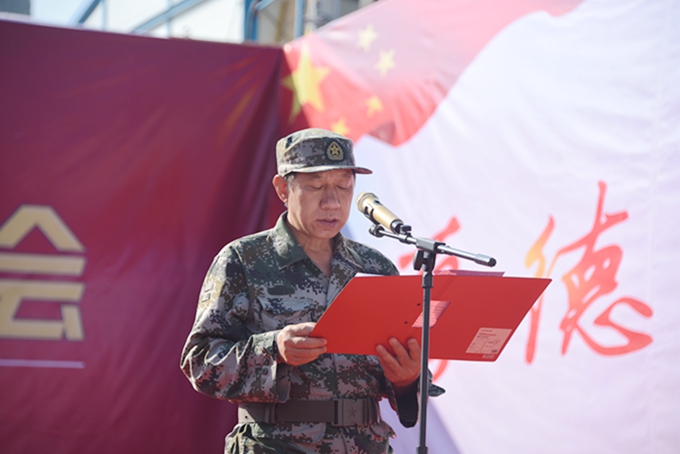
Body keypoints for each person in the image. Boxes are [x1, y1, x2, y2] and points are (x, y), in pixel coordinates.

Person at [180, 128, 441, 454]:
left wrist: (406, 380)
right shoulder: (243, 260)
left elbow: (404, 374)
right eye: (316, 186)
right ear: (283, 189)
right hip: (275, 446)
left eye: (343, 187)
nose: (332, 202)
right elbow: (200, 362)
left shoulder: (375, 268)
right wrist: (274, 349)